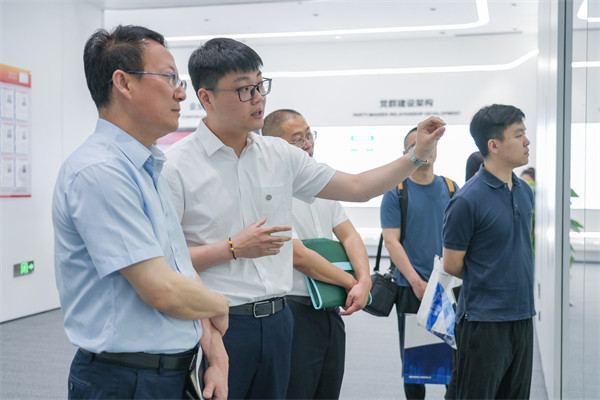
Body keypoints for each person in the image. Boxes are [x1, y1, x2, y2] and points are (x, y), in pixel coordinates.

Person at [163, 37, 445, 400]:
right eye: (244, 89)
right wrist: (232, 248)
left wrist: (416, 155)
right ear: (206, 97)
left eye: (260, 85)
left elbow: (358, 186)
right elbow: (167, 263)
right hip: (221, 325)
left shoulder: (279, 155)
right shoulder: (176, 166)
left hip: (280, 321)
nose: (258, 98)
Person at [52, 25, 229, 400]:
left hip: (168, 372)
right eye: (169, 77)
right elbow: (162, 290)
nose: (181, 92)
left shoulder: (147, 168)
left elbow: (180, 271)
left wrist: (216, 353)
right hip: (124, 380)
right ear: (124, 83)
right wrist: (220, 303)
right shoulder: (100, 171)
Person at [262, 109, 372, 399]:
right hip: (293, 310)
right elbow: (298, 256)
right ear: (275, 147)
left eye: (309, 135)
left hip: (329, 310)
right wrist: (352, 284)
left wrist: (365, 280)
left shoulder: (321, 185)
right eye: (298, 139)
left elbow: (350, 234)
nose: (308, 144)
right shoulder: (269, 191)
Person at [442, 104, 535, 399]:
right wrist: (492, 276)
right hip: (483, 320)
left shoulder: (524, 191)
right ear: (493, 145)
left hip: (522, 315)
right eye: (518, 135)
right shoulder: (466, 200)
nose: (527, 142)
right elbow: (452, 264)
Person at [380, 127, 458, 400]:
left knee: (453, 361)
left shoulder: (451, 188)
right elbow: (391, 241)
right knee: (416, 366)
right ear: (406, 153)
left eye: (431, 143)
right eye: (417, 145)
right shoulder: (396, 192)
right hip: (411, 289)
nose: (426, 148)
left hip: (448, 288)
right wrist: (416, 282)